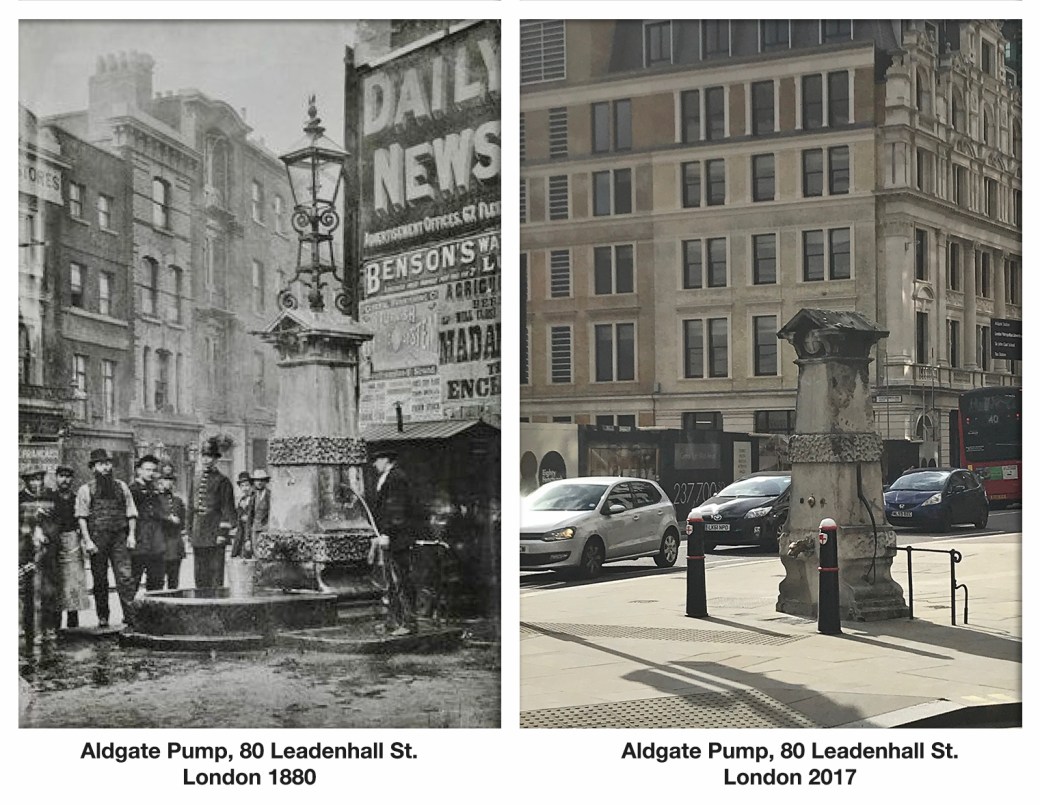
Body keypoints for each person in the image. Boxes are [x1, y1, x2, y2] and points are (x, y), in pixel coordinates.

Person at [75, 448, 138, 630]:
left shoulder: (122, 486)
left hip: (119, 537)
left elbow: (131, 513)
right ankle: (103, 616)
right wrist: (88, 541)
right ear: (93, 468)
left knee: (125, 577)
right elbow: (82, 517)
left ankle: (130, 616)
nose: (106, 468)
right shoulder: (85, 490)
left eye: (108, 463)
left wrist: (131, 535)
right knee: (100, 579)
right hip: (97, 539)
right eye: (101, 464)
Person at [370, 448, 417, 635]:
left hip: (399, 538)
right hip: (392, 537)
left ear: (386, 460)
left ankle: (409, 624)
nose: (374, 464)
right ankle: (393, 621)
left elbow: (396, 509)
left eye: (377, 460)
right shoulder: (389, 477)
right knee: (391, 581)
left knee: (402, 580)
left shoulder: (396, 477)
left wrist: (388, 533)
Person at [187, 438, 235, 589]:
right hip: (198, 532)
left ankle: (216, 606)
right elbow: (190, 506)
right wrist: (189, 531)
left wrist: (222, 533)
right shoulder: (195, 479)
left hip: (215, 533)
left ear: (215, 459)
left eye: (210, 457)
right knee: (199, 574)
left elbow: (228, 509)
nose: (206, 460)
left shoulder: (223, 481)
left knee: (215, 574)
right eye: (204, 456)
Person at [50, 465, 91, 629]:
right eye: (61, 476)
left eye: (68, 476)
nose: (65, 479)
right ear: (56, 477)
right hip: (53, 543)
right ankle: (56, 626)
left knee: (74, 583)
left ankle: (73, 626)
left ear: (72, 479)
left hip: (73, 542)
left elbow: (84, 520)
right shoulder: (50, 498)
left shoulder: (76, 498)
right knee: (56, 582)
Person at [19, 468, 56, 645]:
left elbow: (58, 522)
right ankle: (31, 631)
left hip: (47, 551)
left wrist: (48, 534)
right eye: (33, 480)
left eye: (39, 479)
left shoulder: (50, 496)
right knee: (29, 593)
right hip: (27, 551)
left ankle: (49, 628)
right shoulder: (18, 498)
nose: (37, 483)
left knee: (49, 591)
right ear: (26, 482)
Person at [128, 455, 165, 592]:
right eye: (147, 470)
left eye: (153, 470)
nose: (151, 473)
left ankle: (154, 613)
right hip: (138, 541)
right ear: (139, 471)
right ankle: (131, 613)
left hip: (156, 543)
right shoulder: (131, 490)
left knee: (157, 581)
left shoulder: (155, 490)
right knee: (133, 581)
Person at [157, 464, 187, 589]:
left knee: (174, 580)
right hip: (160, 544)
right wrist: (169, 518)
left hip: (175, 545)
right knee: (158, 580)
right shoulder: (155, 499)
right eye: (165, 480)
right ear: (160, 482)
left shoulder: (178, 501)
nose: (168, 483)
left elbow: (183, 522)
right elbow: (155, 516)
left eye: (171, 480)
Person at [248, 468, 272, 557]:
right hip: (254, 530)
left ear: (266, 481)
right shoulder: (253, 495)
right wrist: (247, 538)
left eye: (262, 480)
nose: (259, 482)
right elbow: (250, 516)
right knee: (256, 554)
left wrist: (268, 527)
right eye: (257, 480)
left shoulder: (270, 495)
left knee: (266, 554)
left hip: (266, 530)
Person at [231, 471, 253, 559]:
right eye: (242, 486)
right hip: (241, 531)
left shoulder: (254, 498)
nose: (245, 488)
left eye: (247, 485)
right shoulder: (241, 500)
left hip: (251, 530)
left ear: (251, 485)